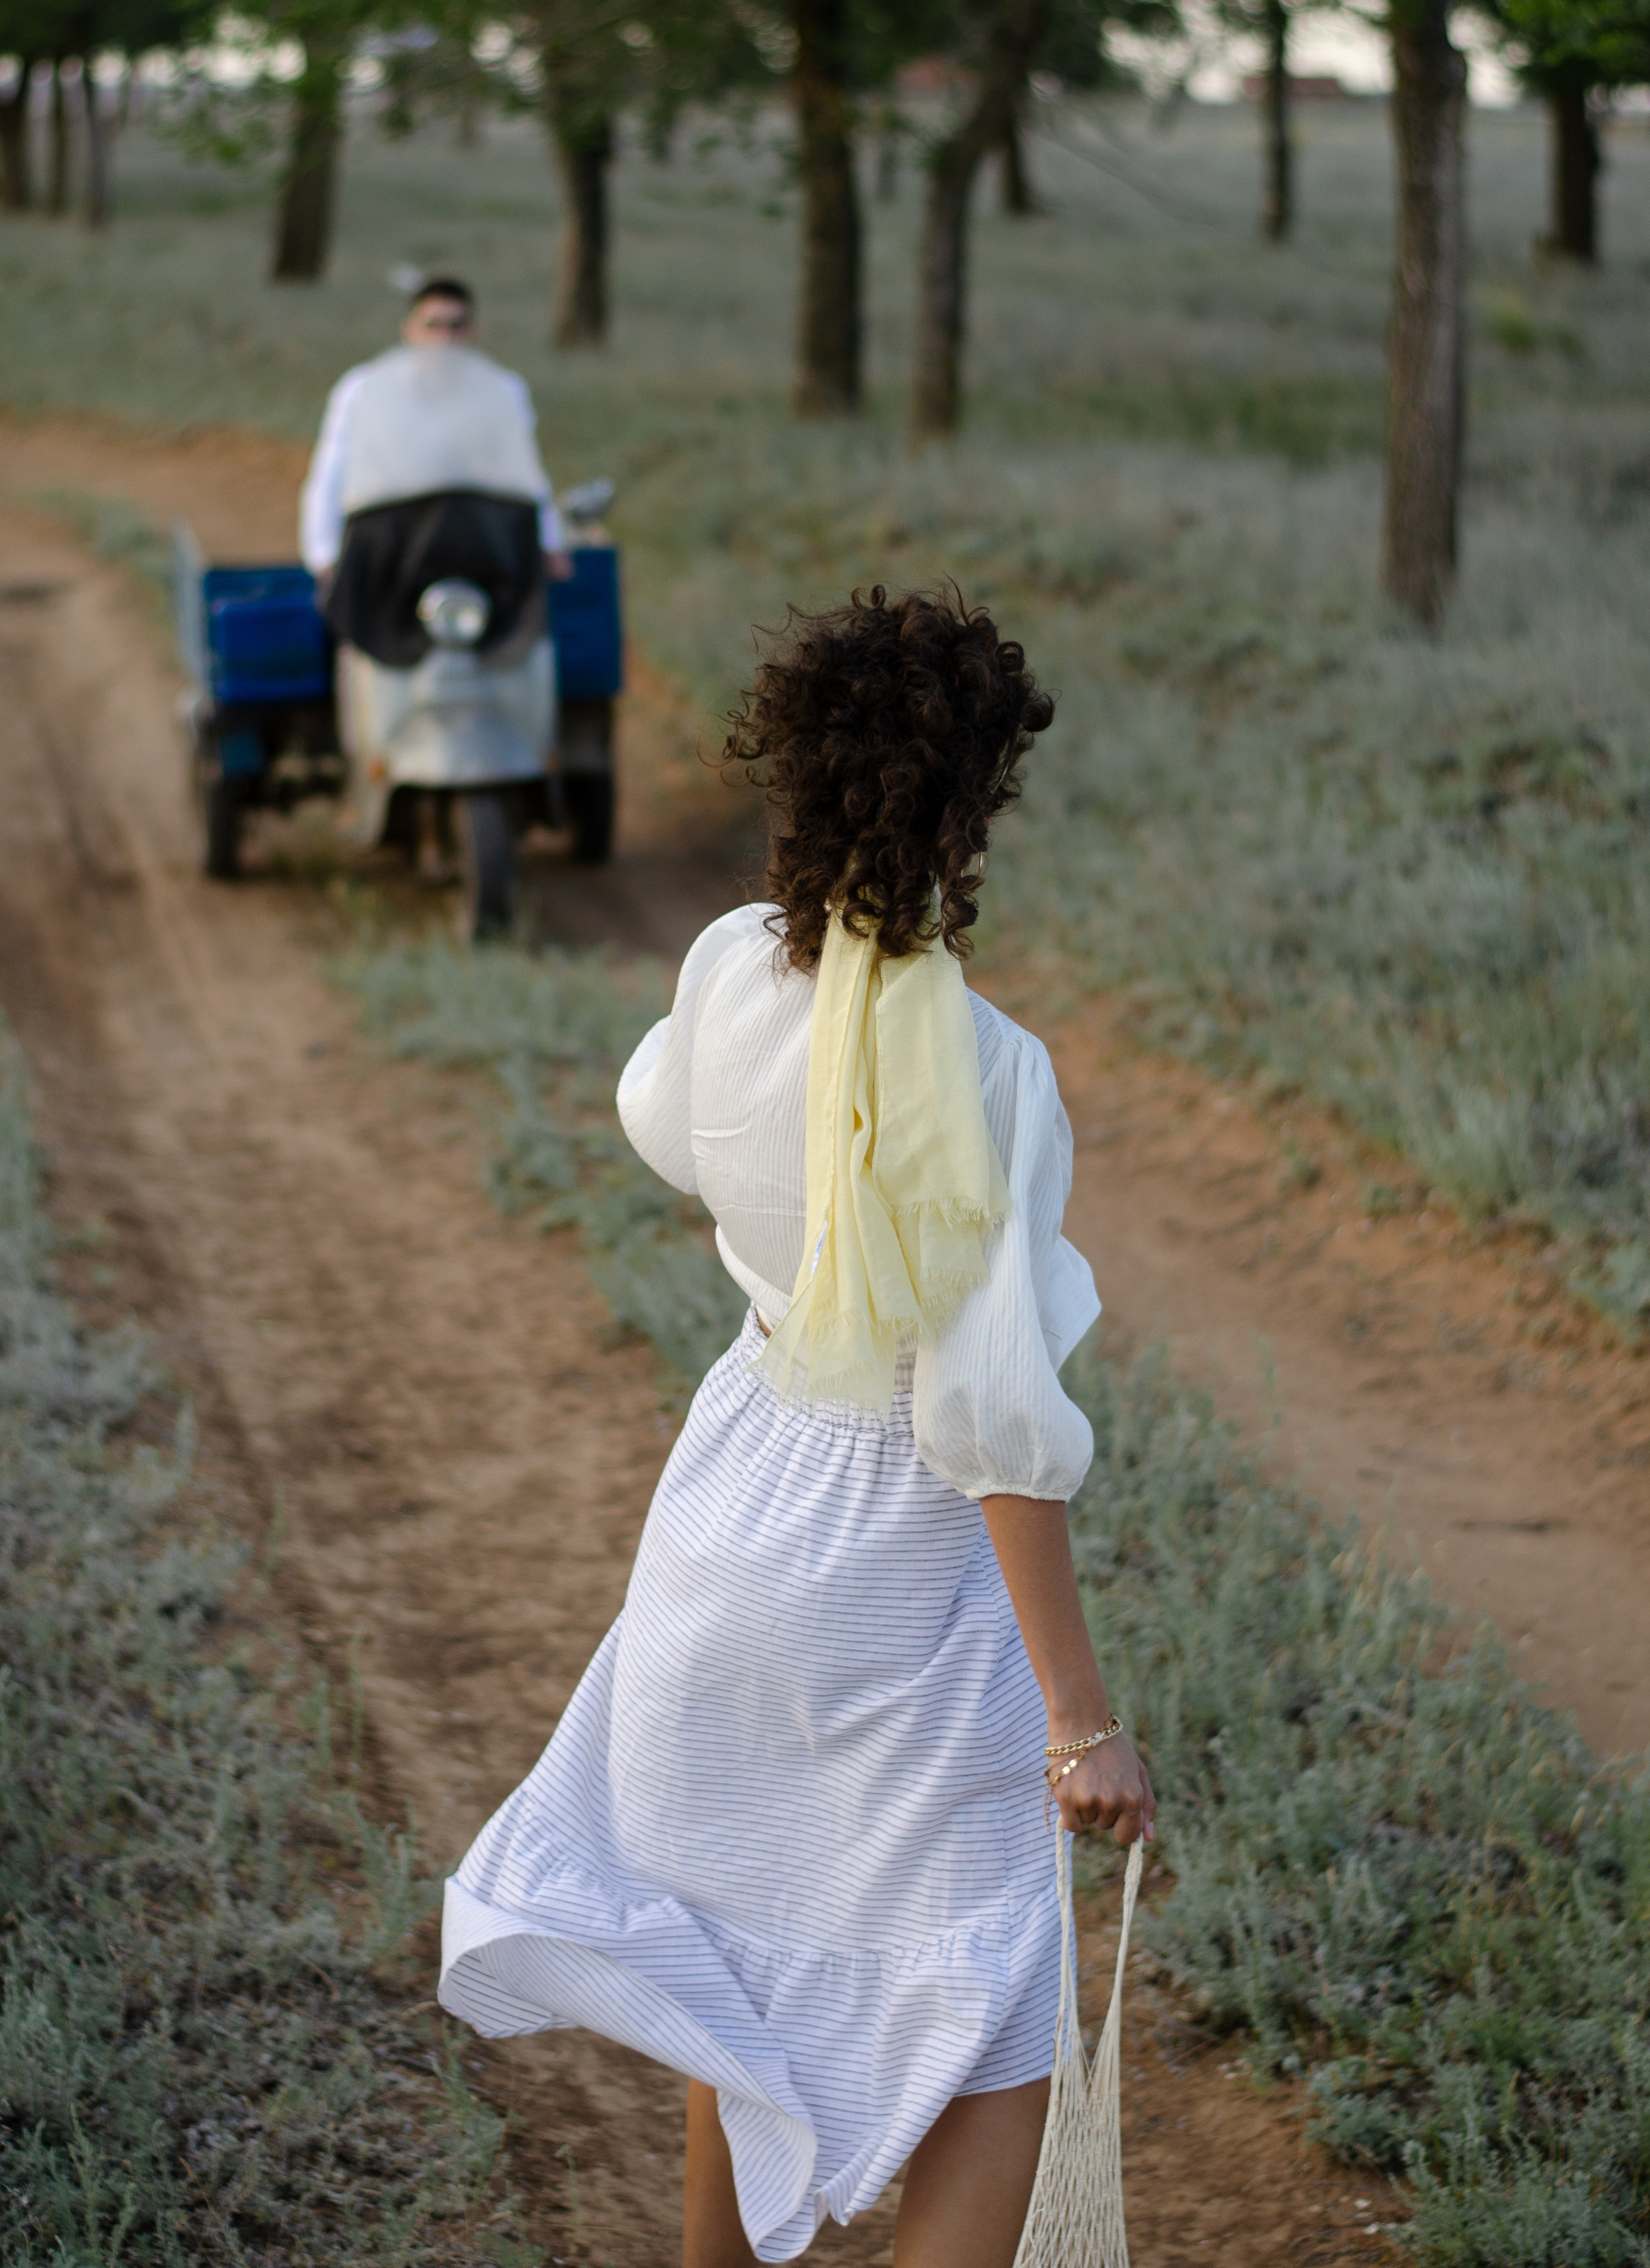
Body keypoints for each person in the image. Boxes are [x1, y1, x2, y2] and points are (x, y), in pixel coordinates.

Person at [438, 586, 1157, 2268]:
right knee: (994, 2029)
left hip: (733, 1502)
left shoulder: (722, 971)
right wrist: (1076, 1722)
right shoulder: (989, 1072)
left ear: (797, 777)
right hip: (892, 1567)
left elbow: (661, 1130)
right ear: (966, 811)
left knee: (744, 1970)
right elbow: (981, 1421)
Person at [297, 275, 571, 587]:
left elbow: (526, 473)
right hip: (388, 540)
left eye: (456, 326)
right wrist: (325, 556)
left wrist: (550, 544)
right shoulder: (364, 390)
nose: (445, 338)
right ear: (409, 330)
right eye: (433, 325)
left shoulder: (503, 391)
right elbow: (332, 471)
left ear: (473, 332)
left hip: (477, 545)